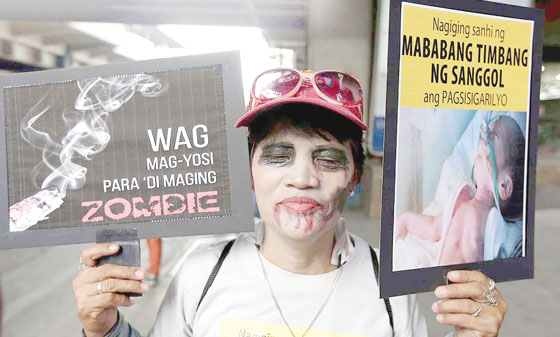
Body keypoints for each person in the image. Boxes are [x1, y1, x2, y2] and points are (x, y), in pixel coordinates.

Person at [73, 69, 508, 337]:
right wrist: (103, 328)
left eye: (328, 158)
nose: (302, 178)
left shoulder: (390, 293)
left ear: (354, 178)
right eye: (278, 156)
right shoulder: (201, 274)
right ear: (249, 172)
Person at [395, 115, 525, 265]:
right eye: (485, 133)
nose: (482, 141)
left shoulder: (489, 224)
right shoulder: (462, 197)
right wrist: (406, 220)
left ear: (504, 186)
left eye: (492, 137)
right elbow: (434, 227)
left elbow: (478, 264)